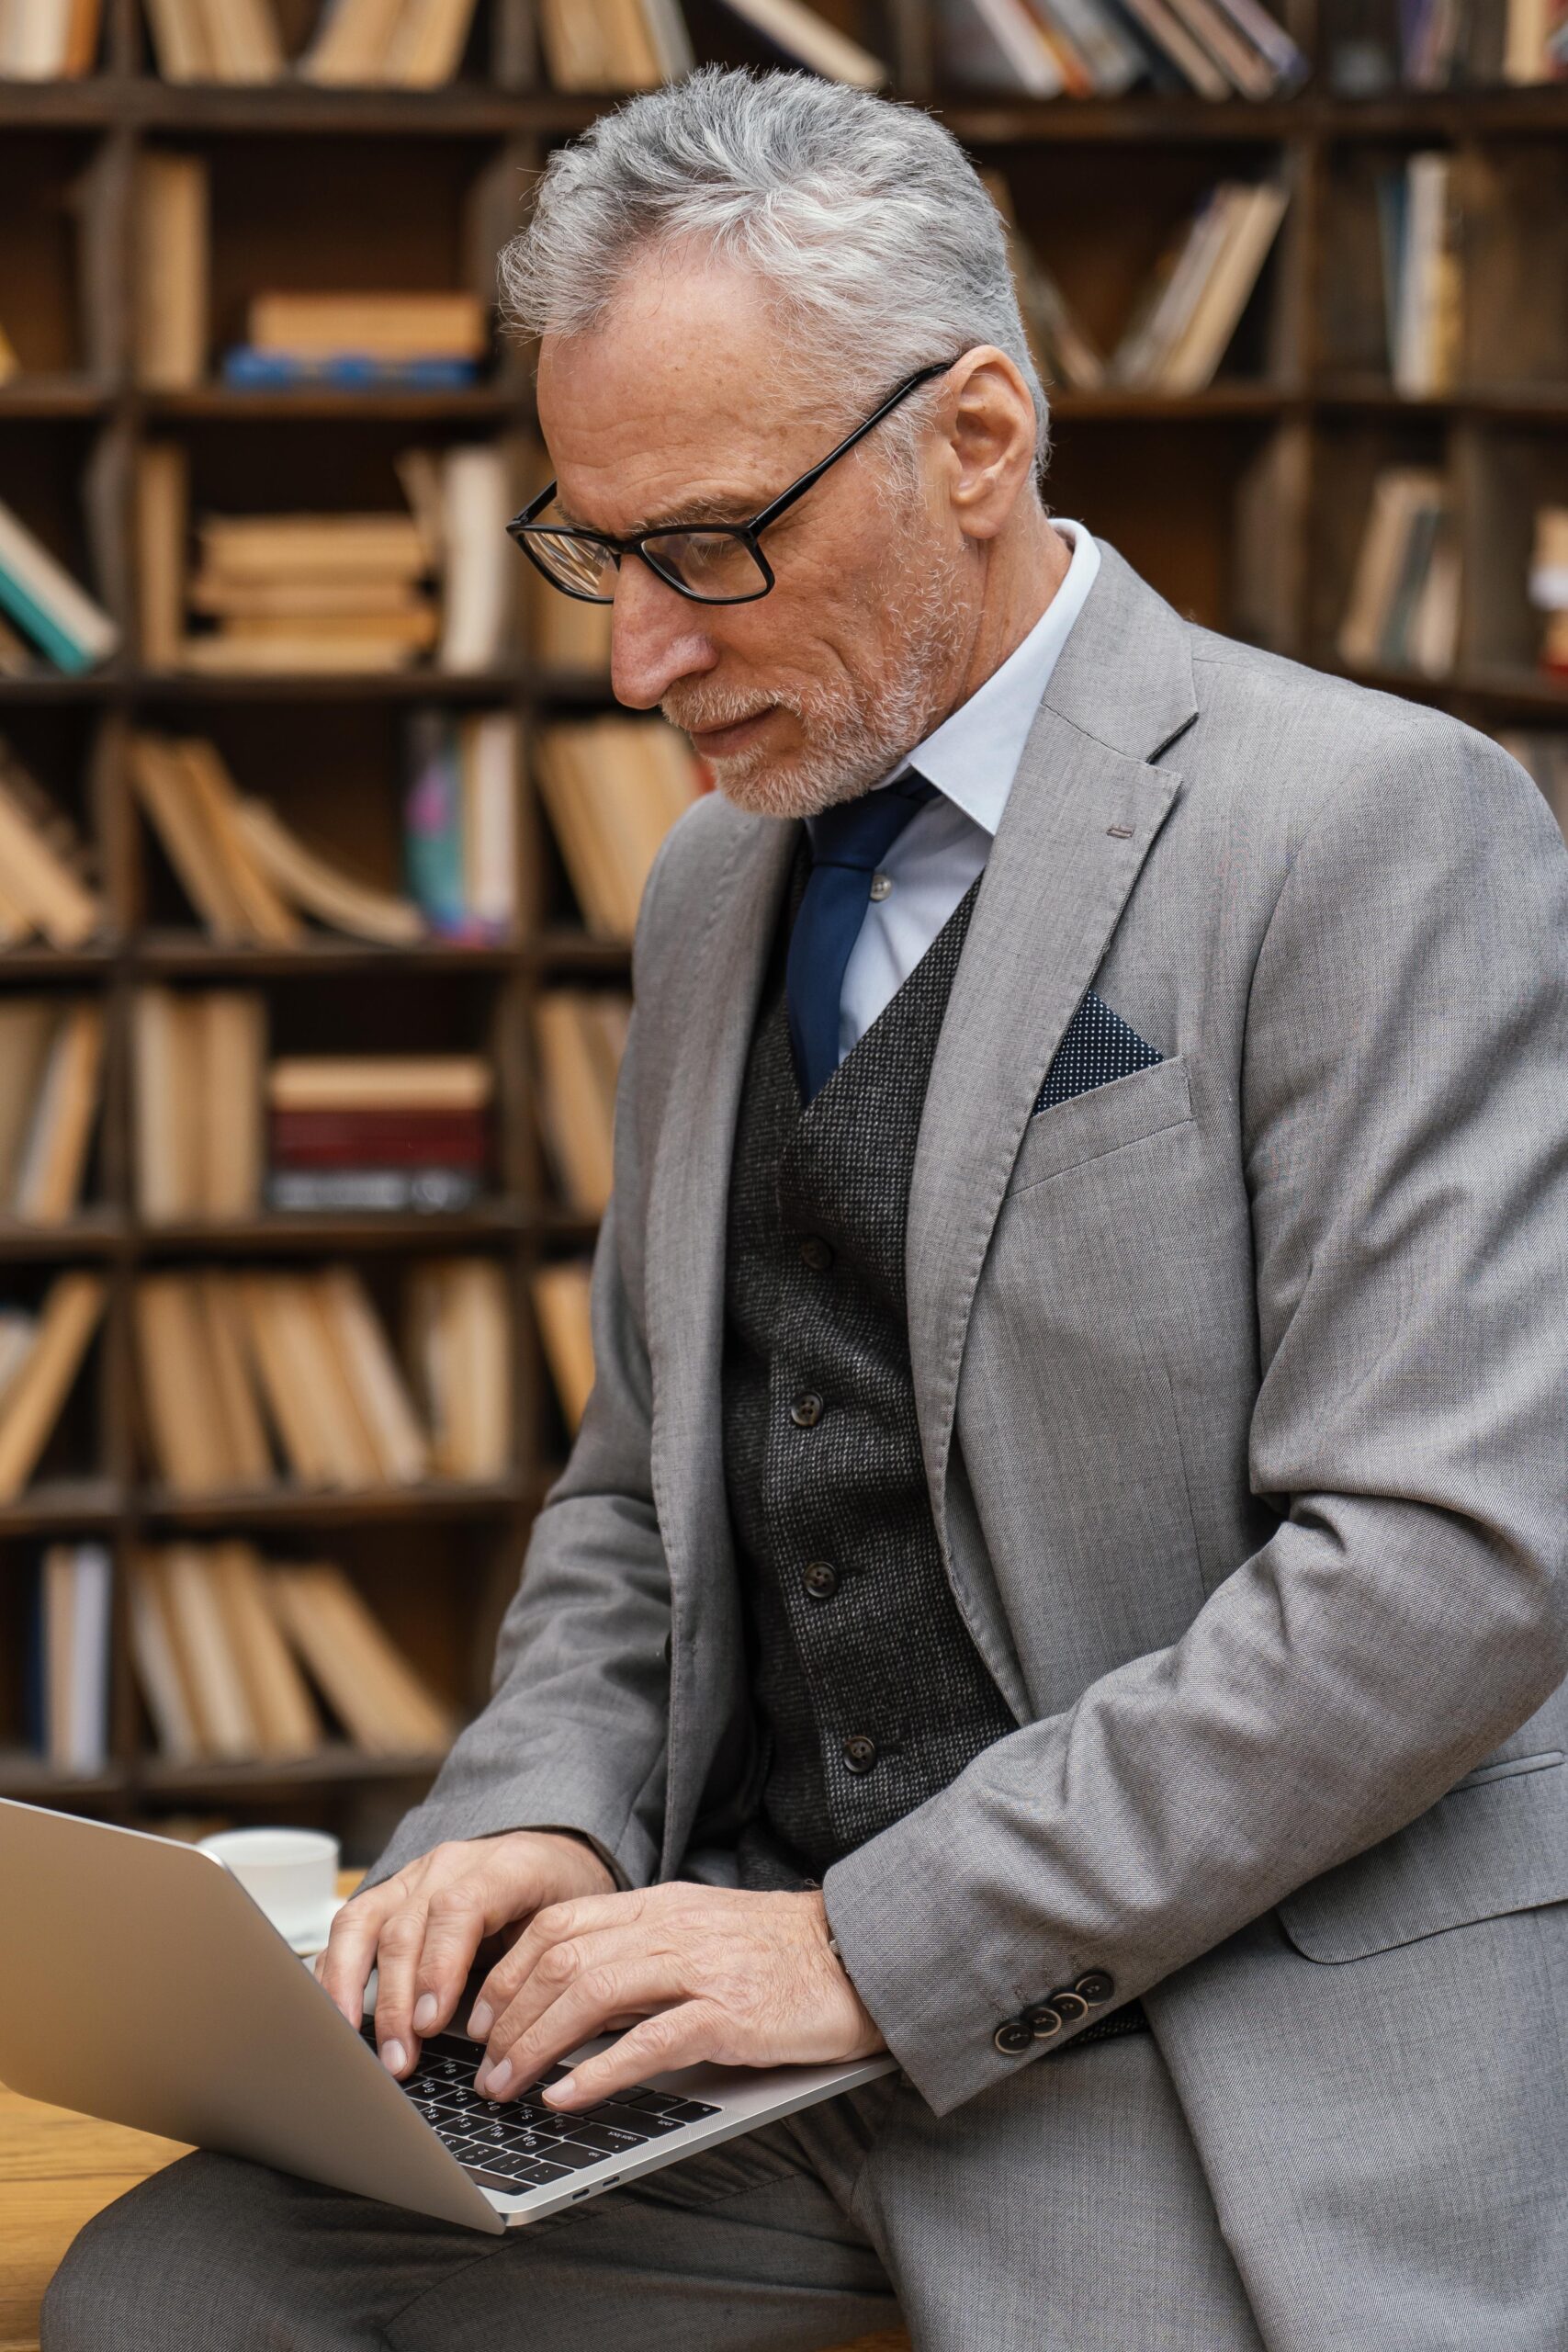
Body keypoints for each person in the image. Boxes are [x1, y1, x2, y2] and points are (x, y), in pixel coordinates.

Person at [46, 65, 1568, 2352]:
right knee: (170, 2288)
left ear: (974, 438)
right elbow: (637, 1488)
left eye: (707, 546)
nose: (637, 656)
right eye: (596, 549)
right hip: (734, 2019)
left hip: (1205, 2031)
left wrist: (864, 1946)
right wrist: (538, 1819)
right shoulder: (701, 881)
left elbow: (1442, 1569)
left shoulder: (1371, 824)